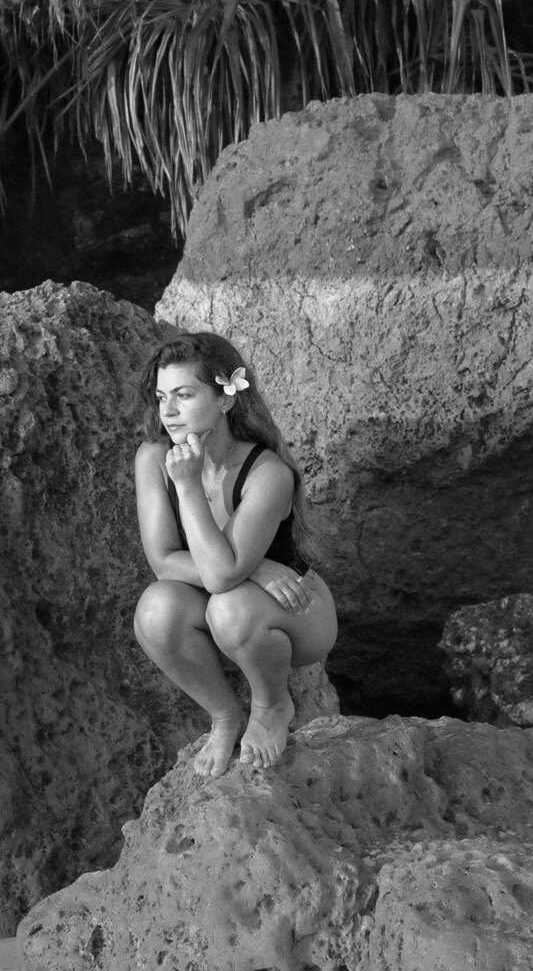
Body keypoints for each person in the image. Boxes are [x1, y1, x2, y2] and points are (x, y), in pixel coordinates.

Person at [133, 331, 338, 778]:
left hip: (296, 611)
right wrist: (258, 567)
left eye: (184, 395)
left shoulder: (267, 472)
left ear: (225, 399)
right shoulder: (153, 457)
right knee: (155, 608)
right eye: (161, 396)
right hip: (230, 598)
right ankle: (225, 715)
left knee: (229, 607)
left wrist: (188, 486)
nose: (168, 411)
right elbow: (163, 561)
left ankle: (271, 705)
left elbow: (223, 577)